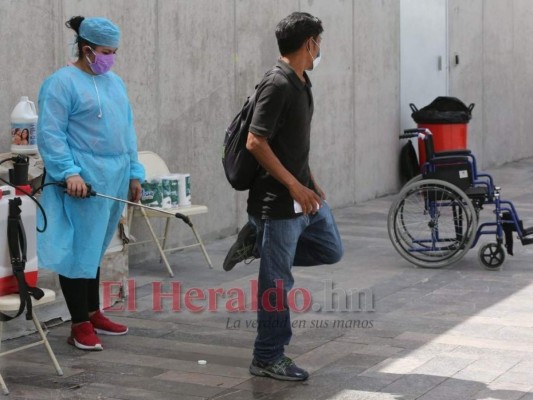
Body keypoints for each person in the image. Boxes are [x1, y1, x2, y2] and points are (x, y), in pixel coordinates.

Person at [223, 12, 343, 381]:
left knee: (330, 249)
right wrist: (294, 185)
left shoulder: (301, 81)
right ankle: (267, 356)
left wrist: (310, 179)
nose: (320, 48)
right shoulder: (278, 84)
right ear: (310, 43)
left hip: (303, 194)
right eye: (319, 41)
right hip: (277, 204)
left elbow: (291, 143)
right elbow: (256, 141)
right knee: (277, 283)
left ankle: (258, 244)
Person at [37, 16, 145, 351]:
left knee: (94, 247)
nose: (111, 57)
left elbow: (127, 131)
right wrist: (69, 172)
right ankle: (79, 324)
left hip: (113, 178)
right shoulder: (61, 83)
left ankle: (92, 311)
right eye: (106, 51)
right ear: (87, 50)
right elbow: (51, 134)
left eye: (114, 51)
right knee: (77, 251)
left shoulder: (115, 83)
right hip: (81, 182)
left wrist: (134, 172)